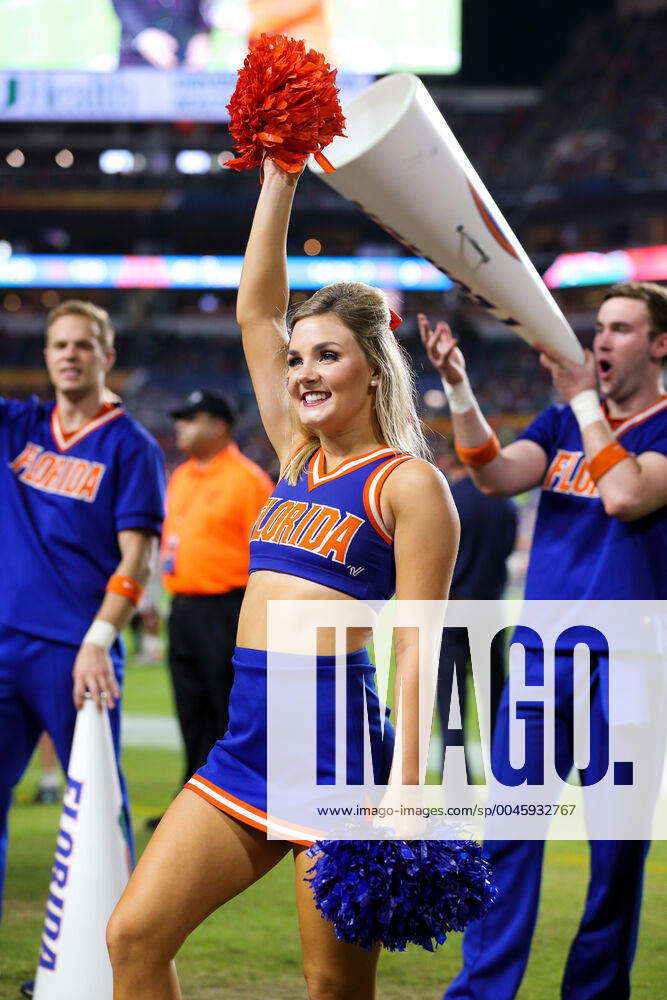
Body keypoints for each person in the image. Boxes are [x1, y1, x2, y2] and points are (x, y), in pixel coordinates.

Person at [106, 159, 459, 1000]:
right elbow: (256, 309)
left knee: (332, 988)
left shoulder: (406, 485)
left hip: (337, 753)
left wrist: (404, 789)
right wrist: (281, 175)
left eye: (326, 356)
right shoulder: (295, 457)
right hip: (248, 739)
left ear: (371, 367)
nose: (301, 371)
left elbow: (419, 644)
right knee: (132, 936)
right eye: (296, 358)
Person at [419, 279, 667, 1000]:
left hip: (627, 664)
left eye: (621, 329)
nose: (601, 341)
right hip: (539, 660)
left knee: (614, 856)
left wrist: (583, 402)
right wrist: (461, 390)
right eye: (600, 329)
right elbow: (494, 475)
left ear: (659, 344)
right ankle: (480, 991)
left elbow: (624, 496)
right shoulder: (562, 422)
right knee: (506, 836)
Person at [0, 299, 165, 922]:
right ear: (44, 356)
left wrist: (98, 638)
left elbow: (139, 560)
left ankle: (116, 954)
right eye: (59, 345)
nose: (70, 354)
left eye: (83, 345)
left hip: (76, 654)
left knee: (96, 807)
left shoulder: (132, 447)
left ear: (107, 357)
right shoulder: (16, 426)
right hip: (4, 644)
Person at [163, 388, 273, 785]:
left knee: (223, 709)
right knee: (190, 708)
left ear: (219, 426)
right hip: (184, 607)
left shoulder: (248, 480)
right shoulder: (181, 475)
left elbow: (264, 556)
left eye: (190, 419)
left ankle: (229, 798)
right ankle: (190, 795)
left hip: (226, 609)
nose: (180, 427)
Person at [438, 451, 517, 777]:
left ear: (455, 463)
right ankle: (506, 774)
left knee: (451, 701)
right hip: (490, 607)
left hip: (453, 607)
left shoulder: (450, 498)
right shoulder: (504, 502)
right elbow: (509, 548)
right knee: (495, 697)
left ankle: (458, 783)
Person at [111, 0, 212, 69]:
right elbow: (123, 5)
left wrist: (202, 33)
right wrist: (143, 34)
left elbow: (203, 7)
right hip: (137, 59)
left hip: (184, 60)